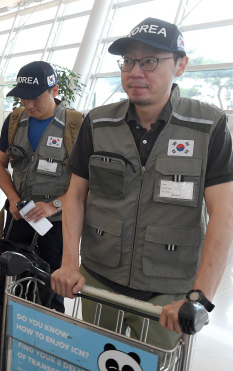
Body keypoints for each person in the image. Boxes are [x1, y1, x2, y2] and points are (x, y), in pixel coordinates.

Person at [51, 18, 233, 349]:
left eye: (149, 61)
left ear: (181, 65)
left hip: (169, 295)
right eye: (129, 61)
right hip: (98, 281)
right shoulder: (99, 123)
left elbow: (224, 213)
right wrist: (69, 263)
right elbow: (75, 196)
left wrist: (200, 297)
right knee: (97, 360)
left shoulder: (209, 126)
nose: (135, 72)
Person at [0, 61, 83, 314]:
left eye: (36, 98)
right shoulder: (14, 121)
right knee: (14, 282)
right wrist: (12, 198)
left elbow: (84, 184)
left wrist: (53, 205)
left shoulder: (75, 126)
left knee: (53, 287)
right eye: (23, 99)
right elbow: (0, 166)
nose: (29, 105)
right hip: (20, 217)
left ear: (55, 91)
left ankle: (48, 339)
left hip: (58, 224)